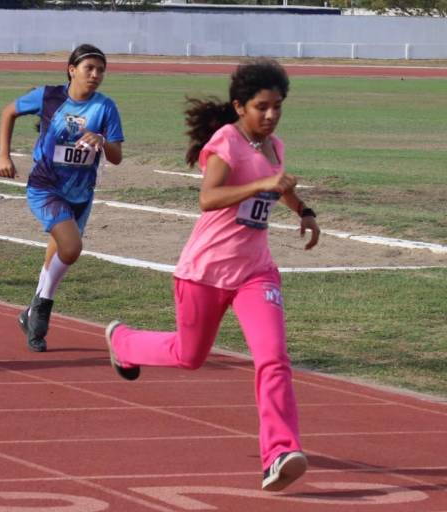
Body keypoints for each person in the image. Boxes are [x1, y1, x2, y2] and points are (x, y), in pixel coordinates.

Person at [104, 60, 320, 492]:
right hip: (204, 272)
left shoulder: (274, 146)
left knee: (273, 357)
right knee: (189, 356)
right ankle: (123, 342)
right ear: (240, 106)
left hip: (255, 274)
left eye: (278, 107)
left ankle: (279, 452)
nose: (271, 115)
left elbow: (280, 184)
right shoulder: (225, 142)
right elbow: (210, 197)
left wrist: (304, 211)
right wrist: (262, 186)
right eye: (262, 107)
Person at [0, 44, 124, 352]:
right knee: (71, 247)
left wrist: (102, 140)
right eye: (89, 68)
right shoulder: (48, 97)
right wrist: (4, 156)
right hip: (46, 186)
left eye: (101, 70)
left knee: (58, 255)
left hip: (81, 193)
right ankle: (42, 309)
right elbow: (9, 111)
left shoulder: (105, 107)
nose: (95, 75)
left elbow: (117, 156)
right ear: (71, 69)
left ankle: (30, 314)